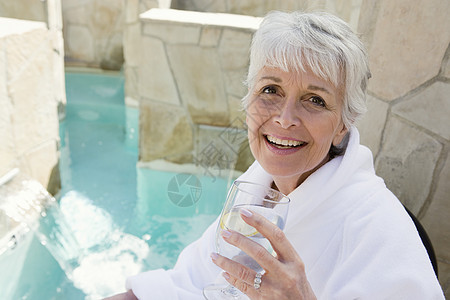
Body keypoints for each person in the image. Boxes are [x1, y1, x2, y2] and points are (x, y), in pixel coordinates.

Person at [106, 11, 444, 299]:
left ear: (344, 124)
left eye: (315, 99)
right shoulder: (257, 189)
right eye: (271, 90)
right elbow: (190, 280)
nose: (284, 118)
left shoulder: (380, 229)